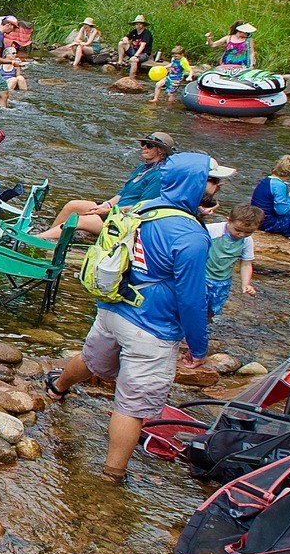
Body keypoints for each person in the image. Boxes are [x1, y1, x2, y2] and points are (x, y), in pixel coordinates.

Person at [44, 153, 216, 483]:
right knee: (131, 406)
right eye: (212, 180)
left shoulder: (141, 209)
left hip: (112, 307)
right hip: (152, 327)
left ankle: (57, 387)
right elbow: (192, 299)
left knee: (92, 359)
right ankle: (112, 477)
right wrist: (198, 346)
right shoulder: (190, 236)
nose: (216, 187)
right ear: (194, 185)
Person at [41, 132, 175, 241]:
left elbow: (141, 207)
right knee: (73, 205)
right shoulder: (143, 168)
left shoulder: (158, 176)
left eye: (149, 145)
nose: (144, 147)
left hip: (125, 218)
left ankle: (38, 239)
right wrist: (106, 205)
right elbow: (123, 193)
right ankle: (51, 238)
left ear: (161, 151)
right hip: (114, 210)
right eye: (143, 144)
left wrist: (109, 211)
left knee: (79, 221)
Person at [205, 203, 263, 318]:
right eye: (238, 230)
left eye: (248, 232)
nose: (242, 235)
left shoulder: (246, 241)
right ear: (228, 220)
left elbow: (246, 264)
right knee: (194, 305)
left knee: (213, 309)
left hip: (223, 281)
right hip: (202, 276)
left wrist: (245, 284)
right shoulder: (212, 230)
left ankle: (205, 328)